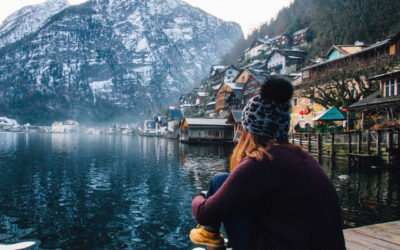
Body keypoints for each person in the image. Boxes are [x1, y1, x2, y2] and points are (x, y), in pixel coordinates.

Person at [189, 77, 346, 250]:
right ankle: (210, 234)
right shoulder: (303, 157)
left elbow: (204, 213)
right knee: (223, 180)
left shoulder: (261, 161)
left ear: (249, 131)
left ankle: (209, 233)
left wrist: (199, 197)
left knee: (219, 183)